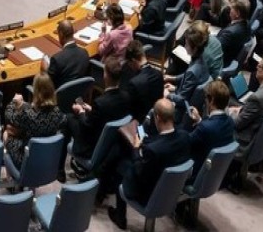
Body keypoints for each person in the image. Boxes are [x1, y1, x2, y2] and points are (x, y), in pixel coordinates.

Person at [107, 99, 191, 230]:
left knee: (120, 166)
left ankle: (120, 216)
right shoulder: (185, 136)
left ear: (156, 117)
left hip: (149, 194)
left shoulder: (153, 150)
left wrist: (136, 148)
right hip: (172, 190)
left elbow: (139, 172)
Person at [65, 57, 130, 164]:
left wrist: (81, 111)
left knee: (69, 117)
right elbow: (107, 115)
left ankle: (60, 169)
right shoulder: (126, 96)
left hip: (92, 146)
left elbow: (86, 126)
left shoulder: (100, 102)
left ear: (106, 76)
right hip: (113, 143)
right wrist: (91, 110)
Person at [3, 73, 66, 171]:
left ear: (36, 91)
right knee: (15, 130)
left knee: (7, 133)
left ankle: (12, 178)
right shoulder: (58, 112)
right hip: (47, 158)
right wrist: (24, 106)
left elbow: (9, 115)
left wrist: (14, 102)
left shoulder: (28, 114)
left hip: (27, 158)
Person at [230, 55, 263, 153]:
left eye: (260, 66)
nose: (257, 66)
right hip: (253, 131)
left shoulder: (257, 97)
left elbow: (237, 124)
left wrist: (227, 113)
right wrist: (240, 109)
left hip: (241, 140)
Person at [187, 80, 235, 177]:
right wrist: (200, 120)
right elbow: (211, 132)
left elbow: (186, 143)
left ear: (211, 100)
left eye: (206, 98)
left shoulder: (204, 127)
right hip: (215, 174)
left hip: (196, 173)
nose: (205, 102)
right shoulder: (230, 121)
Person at [164, 21, 212, 103]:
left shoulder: (193, 71)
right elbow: (188, 78)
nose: (184, 46)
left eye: (186, 44)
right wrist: (173, 80)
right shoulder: (200, 59)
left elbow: (182, 100)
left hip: (181, 109)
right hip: (183, 93)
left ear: (195, 48)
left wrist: (168, 95)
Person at [120, 43, 164, 122]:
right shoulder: (159, 74)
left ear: (133, 61)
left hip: (140, 123)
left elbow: (130, 110)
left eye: (129, 63)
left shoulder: (134, 83)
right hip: (158, 118)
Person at [44, 20, 90, 89]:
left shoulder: (57, 59)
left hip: (60, 97)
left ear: (61, 34)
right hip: (79, 93)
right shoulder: (84, 52)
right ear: (73, 32)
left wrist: (44, 69)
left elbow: (47, 84)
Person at [216, 0, 251, 67]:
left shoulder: (229, 33)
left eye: (232, 8)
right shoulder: (247, 24)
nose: (229, 10)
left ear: (237, 13)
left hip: (220, 62)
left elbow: (214, 49)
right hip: (231, 56)